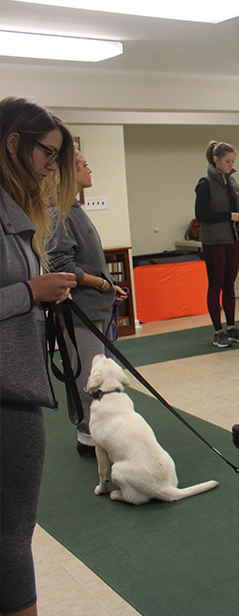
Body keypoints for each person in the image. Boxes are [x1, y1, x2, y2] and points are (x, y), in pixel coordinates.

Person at [1, 96, 78, 616]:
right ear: (13, 144)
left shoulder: (15, 211)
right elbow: (19, 291)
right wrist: (32, 292)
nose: (53, 166)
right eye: (47, 153)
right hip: (7, 395)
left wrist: (40, 293)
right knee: (11, 533)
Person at [47, 150, 128, 457]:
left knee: (102, 372)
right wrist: (100, 284)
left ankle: (102, 432)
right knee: (88, 376)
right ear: (69, 172)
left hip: (96, 305)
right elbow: (62, 265)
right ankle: (88, 435)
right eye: (84, 165)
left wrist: (109, 287)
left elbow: (87, 259)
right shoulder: (59, 212)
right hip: (79, 309)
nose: (90, 169)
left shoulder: (74, 207)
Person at [194, 140, 239, 348]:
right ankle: (218, 331)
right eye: (227, 161)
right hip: (213, 240)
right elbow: (201, 215)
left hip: (231, 238)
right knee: (216, 284)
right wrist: (229, 216)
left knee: (229, 283)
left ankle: (232, 327)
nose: (230, 164)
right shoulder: (205, 184)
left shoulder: (231, 182)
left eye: (233, 161)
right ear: (215, 160)